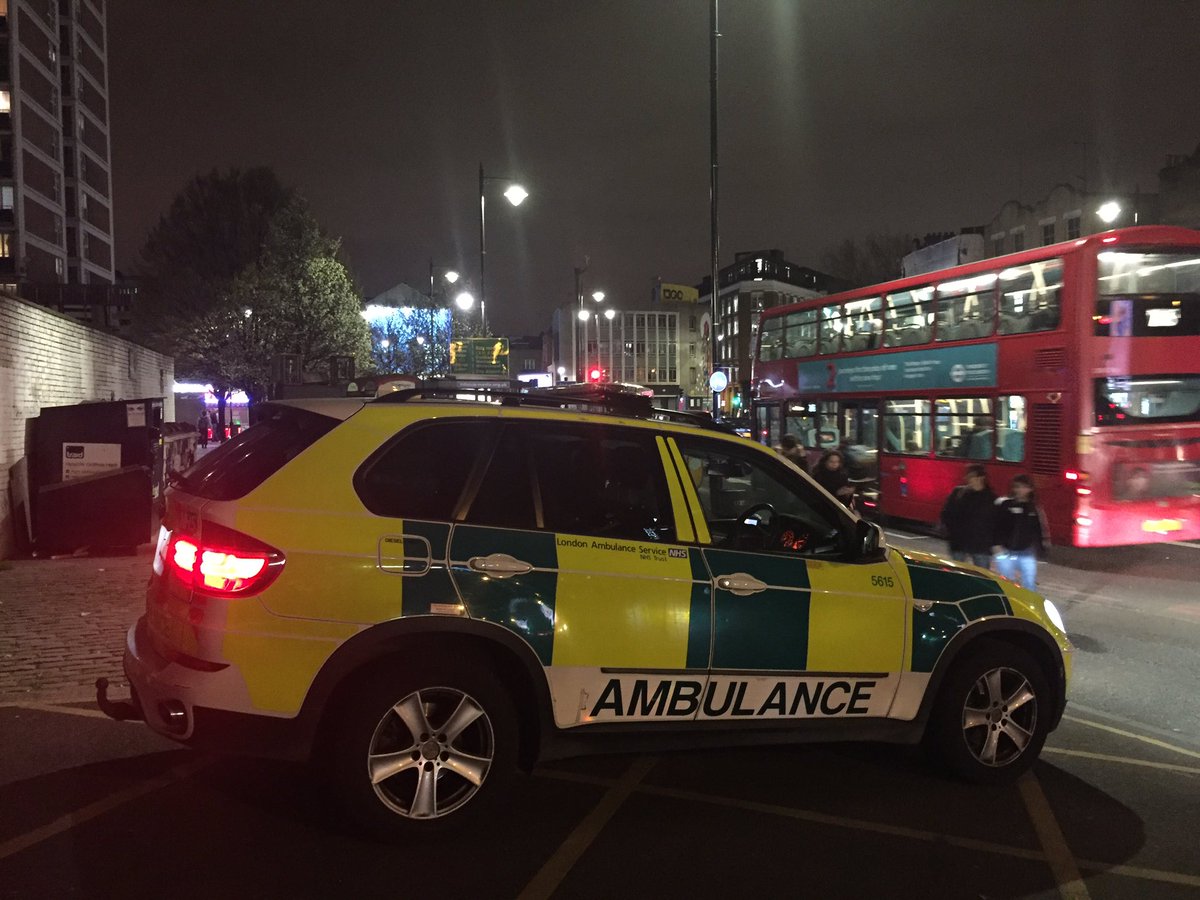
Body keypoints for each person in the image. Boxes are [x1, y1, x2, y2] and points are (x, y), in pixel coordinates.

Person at [993, 474, 1048, 590]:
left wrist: (1041, 550)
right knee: (1006, 584)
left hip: (1026, 552)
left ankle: (1029, 606)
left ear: (1030, 489)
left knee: (1029, 584)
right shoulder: (1005, 504)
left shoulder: (1033, 508)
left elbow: (1038, 530)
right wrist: (996, 545)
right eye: (1017, 487)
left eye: (1024, 487)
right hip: (1005, 551)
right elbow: (996, 525)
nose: (1020, 490)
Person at [940, 464, 997, 568]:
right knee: (958, 573)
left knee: (982, 576)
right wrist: (950, 531)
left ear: (981, 478)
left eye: (972, 476)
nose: (968, 479)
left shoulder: (991, 497)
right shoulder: (958, 492)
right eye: (968, 476)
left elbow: (995, 522)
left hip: (981, 545)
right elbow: (947, 513)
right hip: (959, 542)